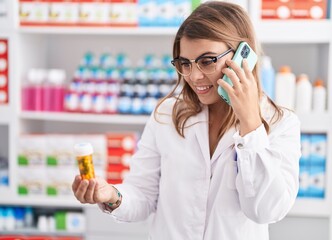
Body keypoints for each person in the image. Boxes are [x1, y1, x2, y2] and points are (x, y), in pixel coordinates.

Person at [72, 1, 301, 239]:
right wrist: (110, 195)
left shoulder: (280, 123)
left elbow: (265, 211)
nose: (194, 76)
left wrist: (251, 126)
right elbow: (143, 194)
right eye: (185, 64)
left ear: (244, 56)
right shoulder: (166, 115)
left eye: (207, 61)